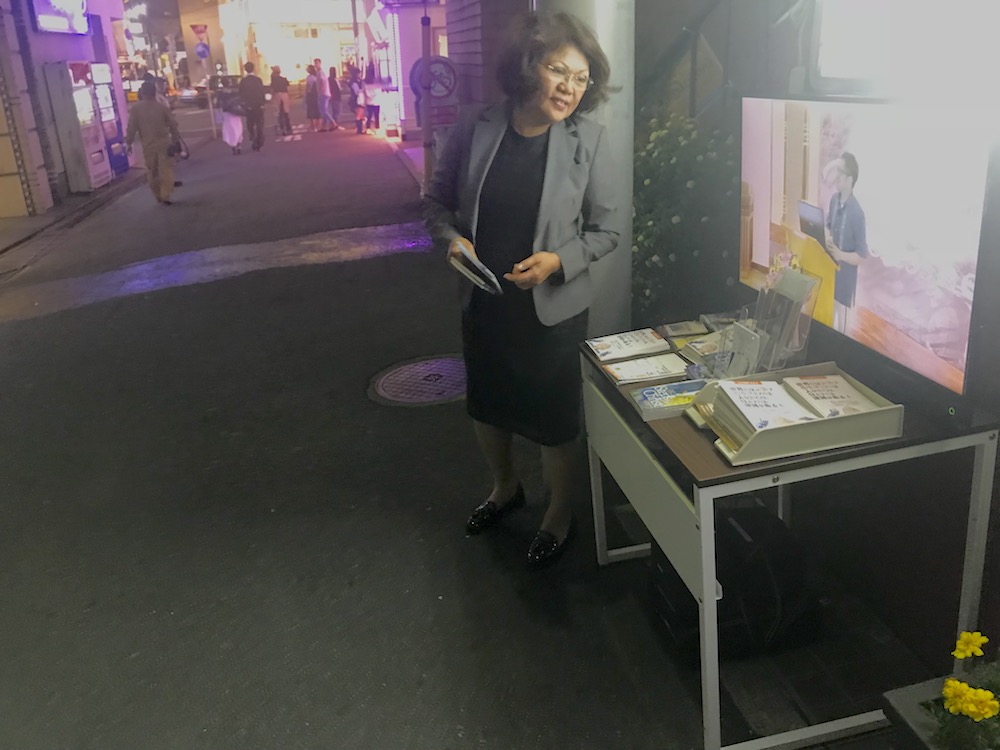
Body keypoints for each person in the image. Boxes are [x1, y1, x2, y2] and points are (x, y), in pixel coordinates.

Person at [423, 11, 617, 569]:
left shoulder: (588, 142)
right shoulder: (474, 126)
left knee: (555, 419)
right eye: (559, 71)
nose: (569, 88)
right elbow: (435, 203)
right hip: (485, 300)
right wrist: (452, 241)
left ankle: (560, 513)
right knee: (489, 406)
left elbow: (608, 231)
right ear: (529, 67)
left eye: (580, 78)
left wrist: (560, 259)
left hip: (552, 309)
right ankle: (505, 489)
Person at [823, 152, 868, 333]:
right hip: (829, 270)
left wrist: (840, 255)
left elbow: (861, 256)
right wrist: (827, 238)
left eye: (839, 171)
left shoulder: (857, 213)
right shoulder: (834, 200)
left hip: (845, 280)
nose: (835, 176)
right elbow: (827, 225)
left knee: (842, 329)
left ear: (850, 179)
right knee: (827, 319)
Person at [125, 80, 182, 205]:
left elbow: (131, 128)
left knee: (152, 171)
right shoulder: (162, 108)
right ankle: (165, 195)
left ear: (142, 93)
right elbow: (173, 125)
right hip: (164, 143)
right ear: (154, 93)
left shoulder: (136, 109)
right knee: (165, 169)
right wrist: (176, 140)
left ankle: (157, 195)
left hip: (148, 145)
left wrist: (128, 143)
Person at [238, 62, 266, 151]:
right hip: (258, 105)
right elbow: (262, 92)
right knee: (259, 124)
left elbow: (241, 94)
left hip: (249, 106)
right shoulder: (258, 80)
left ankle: (252, 136)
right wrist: (262, 103)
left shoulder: (243, 81)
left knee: (250, 123)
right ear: (253, 68)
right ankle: (260, 142)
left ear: (245, 69)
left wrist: (244, 104)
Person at [218, 88, 244, 155]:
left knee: (230, 130)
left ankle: (233, 147)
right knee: (238, 129)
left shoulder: (220, 93)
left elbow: (218, 104)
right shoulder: (234, 91)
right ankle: (239, 146)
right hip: (235, 112)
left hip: (227, 113)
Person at [313, 58, 337, 131]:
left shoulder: (320, 72)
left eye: (317, 63)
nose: (316, 64)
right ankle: (324, 126)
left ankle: (333, 123)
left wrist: (320, 91)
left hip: (323, 93)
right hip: (324, 93)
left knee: (324, 111)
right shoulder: (319, 72)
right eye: (315, 63)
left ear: (320, 63)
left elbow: (322, 82)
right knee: (323, 110)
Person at [270, 65, 292, 136]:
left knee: (279, 113)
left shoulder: (274, 79)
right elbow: (288, 87)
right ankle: (289, 128)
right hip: (285, 95)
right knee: (286, 113)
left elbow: (272, 89)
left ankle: (282, 129)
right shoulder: (283, 79)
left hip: (277, 95)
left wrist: (271, 97)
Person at [304, 64, 321, 132]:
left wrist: (306, 93)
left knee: (311, 110)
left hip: (310, 95)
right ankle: (318, 125)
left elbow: (308, 87)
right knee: (317, 110)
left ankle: (313, 126)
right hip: (316, 95)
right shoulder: (316, 77)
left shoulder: (309, 77)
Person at [327, 66, 343, 130]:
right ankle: (334, 124)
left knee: (334, 111)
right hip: (336, 97)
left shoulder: (329, 79)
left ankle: (333, 124)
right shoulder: (335, 79)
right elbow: (339, 89)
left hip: (332, 97)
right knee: (337, 112)